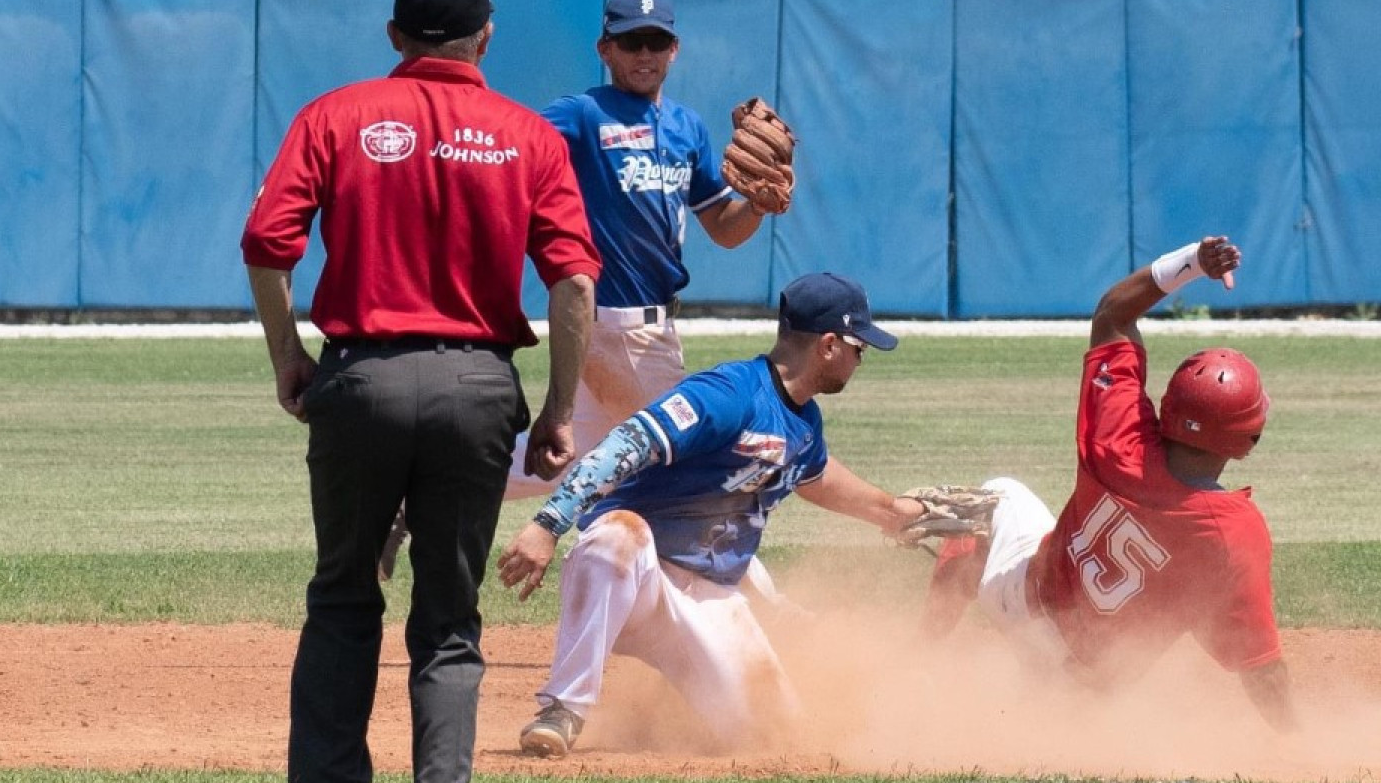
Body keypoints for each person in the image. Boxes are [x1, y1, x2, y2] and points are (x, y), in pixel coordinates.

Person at [240, 0, 601, 783]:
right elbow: (575, 283)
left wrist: (288, 355)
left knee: (342, 597)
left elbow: (267, 246)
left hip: (359, 382)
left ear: (396, 33)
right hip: (477, 389)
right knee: (447, 622)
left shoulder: (336, 114)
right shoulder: (528, 135)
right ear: (487, 37)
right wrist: (557, 409)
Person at [496, 271, 927, 758]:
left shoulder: (803, 422)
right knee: (616, 536)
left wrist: (892, 511)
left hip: (710, 598)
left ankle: (665, 714)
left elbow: (818, 478)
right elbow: (625, 443)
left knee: (774, 736)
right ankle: (563, 708)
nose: (860, 357)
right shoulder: (728, 393)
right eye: (858, 346)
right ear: (829, 345)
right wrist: (548, 523)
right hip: (638, 580)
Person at [918, 234, 1299, 733]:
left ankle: (921, 654)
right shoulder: (1234, 535)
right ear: (1246, 441)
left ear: (1168, 408)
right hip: (1080, 690)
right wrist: (1298, 740)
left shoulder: (1121, 437)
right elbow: (1261, 667)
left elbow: (1112, 316)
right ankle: (1048, 713)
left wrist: (1191, 263)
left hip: (1017, 601)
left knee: (996, 498)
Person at [502, 0, 774, 502]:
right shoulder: (584, 114)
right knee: (692, 467)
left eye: (656, 41)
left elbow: (722, 226)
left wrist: (756, 204)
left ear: (675, 49)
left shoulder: (686, 126)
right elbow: (514, 146)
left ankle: (427, 495)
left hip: (632, 330)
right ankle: (745, 584)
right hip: (622, 328)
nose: (644, 54)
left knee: (559, 458)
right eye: (630, 42)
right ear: (605, 50)